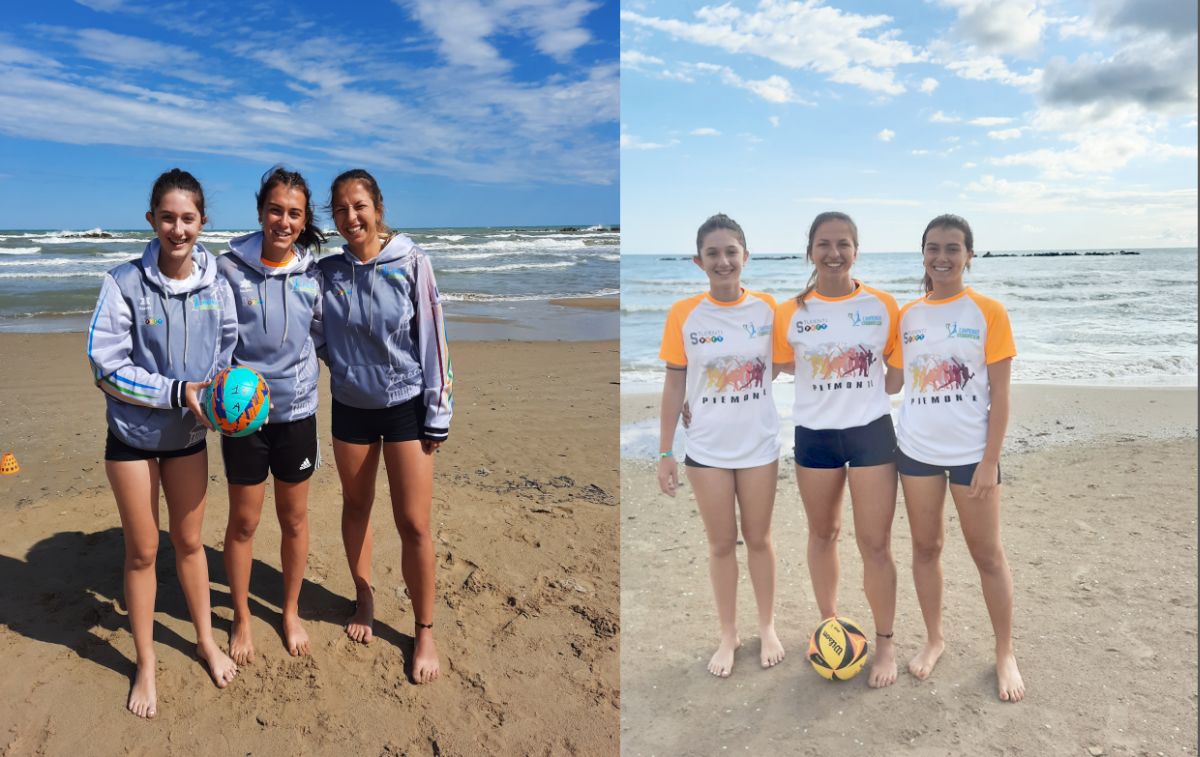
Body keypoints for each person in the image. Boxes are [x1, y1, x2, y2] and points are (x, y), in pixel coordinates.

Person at [86, 168, 239, 718]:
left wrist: (223, 395)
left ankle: (205, 640)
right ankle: (146, 661)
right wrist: (176, 391)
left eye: (189, 219)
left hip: (187, 435)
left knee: (191, 543)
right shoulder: (122, 282)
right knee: (144, 549)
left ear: (202, 223)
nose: (179, 229)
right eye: (168, 218)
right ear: (152, 220)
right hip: (131, 435)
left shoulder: (215, 283)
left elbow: (226, 348)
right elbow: (105, 366)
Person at [319, 169, 452, 684]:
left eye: (359, 206)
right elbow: (315, 329)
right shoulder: (327, 272)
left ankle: (423, 628)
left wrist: (437, 412)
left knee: (413, 523)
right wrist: (344, 366)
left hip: (405, 406)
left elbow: (434, 338)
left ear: (377, 207)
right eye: (340, 209)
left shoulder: (413, 263)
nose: (351, 217)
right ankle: (364, 597)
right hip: (350, 406)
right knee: (356, 507)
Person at [885, 213, 1025, 702]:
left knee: (988, 555)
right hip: (916, 451)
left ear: (969, 254)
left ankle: (1004, 651)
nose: (941, 257)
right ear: (922, 253)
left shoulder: (988, 311)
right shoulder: (908, 316)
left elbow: (1001, 395)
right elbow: (891, 383)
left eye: (952, 248)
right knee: (926, 549)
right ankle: (934, 639)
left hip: (972, 456)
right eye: (933, 248)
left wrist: (990, 460)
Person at [771, 211, 901, 688]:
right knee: (823, 534)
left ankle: (885, 645)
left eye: (843, 243)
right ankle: (831, 626)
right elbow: (779, 365)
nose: (833, 253)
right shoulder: (790, 312)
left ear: (856, 250)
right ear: (810, 250)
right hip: (815, 436)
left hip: (870, 434)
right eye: (824, 244)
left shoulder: (883, 305)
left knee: (875, 544)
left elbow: (897, 374)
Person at [657, 213, 784, 678]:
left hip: (758, 446)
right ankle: (728, 633)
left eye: (731, 251)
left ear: (746, 256)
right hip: (706, 449)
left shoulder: (770, 309)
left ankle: (767, 626)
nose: (723, 261)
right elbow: (674, 385)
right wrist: (666, 451)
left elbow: (800, 358)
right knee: (720, 544)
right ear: (698, 261)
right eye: (713, 253)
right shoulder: (684, 314)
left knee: (758, 539)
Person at [216, 166, 326, 664]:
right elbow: (216, 341)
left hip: (298, 413)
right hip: (245, 418)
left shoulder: (313, 273)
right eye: (276, 210)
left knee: (295, 519)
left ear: (304, 221)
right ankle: (241, 616)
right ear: (261, 211)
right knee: (243, 521)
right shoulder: (227, 269)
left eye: (294, 213)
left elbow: (326, 337)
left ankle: (288, 610)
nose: (284, 220)